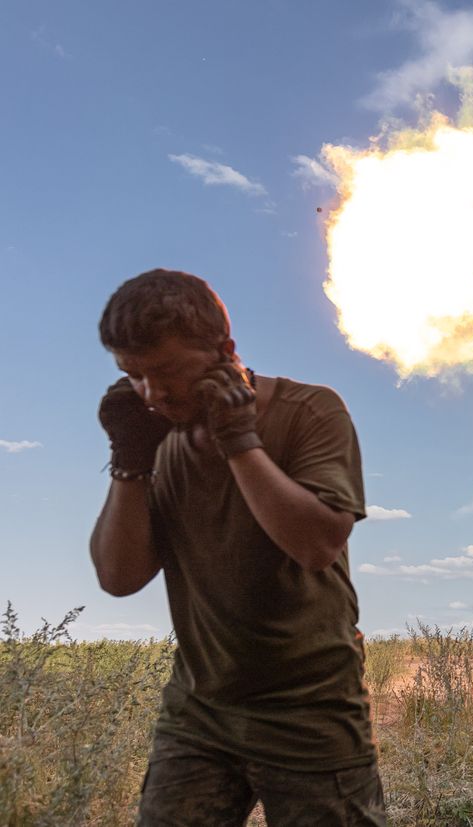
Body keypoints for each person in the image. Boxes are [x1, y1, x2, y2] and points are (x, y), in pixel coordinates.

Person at [90, 269, 386, 826]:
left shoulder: (310, 411)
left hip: (311, 713)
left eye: (169, 372)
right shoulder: (156, 441)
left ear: (225, 351)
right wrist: (129, 460)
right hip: (199, 712)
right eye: (135, 376)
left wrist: (239, 442)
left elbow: (317, 544)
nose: (154, 394)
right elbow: (119, 577)